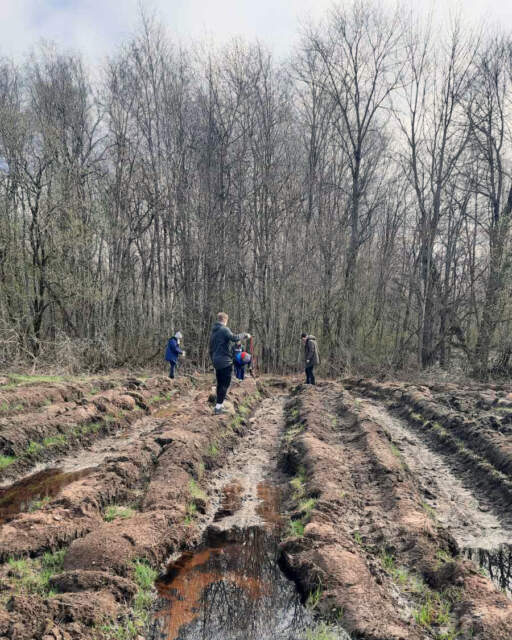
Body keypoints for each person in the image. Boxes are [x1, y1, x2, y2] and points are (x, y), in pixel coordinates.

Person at [210, 312, 250, 414]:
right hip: (225, 361)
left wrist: (213, 360)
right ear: (225, 320)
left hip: (216, 360)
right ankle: (218, 408)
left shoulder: (214, 331)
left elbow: (210, 348)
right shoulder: (224, 329)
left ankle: (220, 403)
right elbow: (234, 338)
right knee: (225, 384)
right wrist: (245, 335)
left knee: (220, 383)